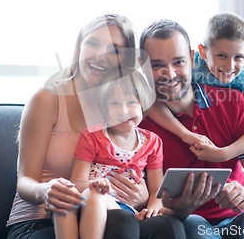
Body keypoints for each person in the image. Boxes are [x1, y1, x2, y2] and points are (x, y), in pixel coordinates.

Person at [6, 14, 185, 239]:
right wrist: (45, 191)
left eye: (114, 50)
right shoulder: (47, 98)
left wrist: (143, 198)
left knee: (169, 227)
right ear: (79, 45)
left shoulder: (123, 109)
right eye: (92, 43)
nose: (100, 55)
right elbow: (25, 181)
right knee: (120, 222)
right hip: (40, 221)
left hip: (113, 215)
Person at [138, 19, 244, 239]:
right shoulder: (135, 123)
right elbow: (147, 206)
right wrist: (180, 208)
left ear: (193, 57)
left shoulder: (235, 102)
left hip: (239, 219)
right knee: (192, 226)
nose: (170, 74)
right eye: (157, 65)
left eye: (178, 62)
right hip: (183, 224)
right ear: (142, 65)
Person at [53, 68, 164, 239]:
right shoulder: (92, 136)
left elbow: (158, 189)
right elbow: (77, 180)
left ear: (144, 104)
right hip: (93, 201)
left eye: (131, 103)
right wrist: (94, 184)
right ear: (104, 109)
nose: (123, 111)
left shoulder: (152, 142)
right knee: (90, 196)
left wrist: (152, 209)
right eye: (114, 104)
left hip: (126, 210)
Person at [147, 13, 244, 162]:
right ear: (203, 52)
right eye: (222, 56)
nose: (229, 66)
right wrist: (185, 134)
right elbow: (151, 99)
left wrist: (224, 154)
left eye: (238, 57)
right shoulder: (189, 63)